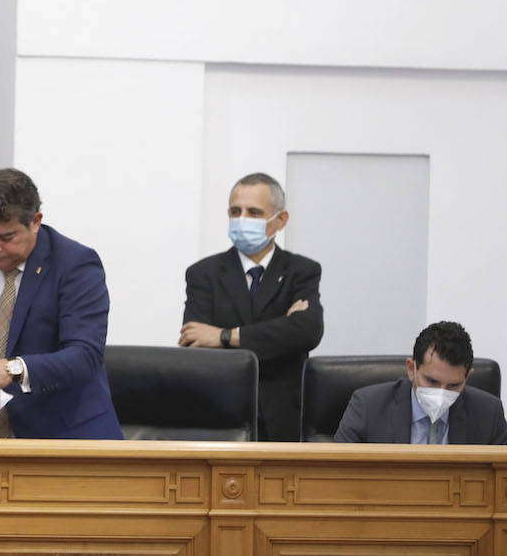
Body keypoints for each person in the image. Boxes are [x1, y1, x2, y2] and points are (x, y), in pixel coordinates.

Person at [0, 168, 123, 439]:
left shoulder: (75, 264)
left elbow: (85, 355)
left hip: (63, 437)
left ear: (35, 221)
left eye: (6, 237)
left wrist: (12, 369)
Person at [179, 172, 323, 441]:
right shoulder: (203, 274)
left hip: (284, 418)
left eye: (254, 212)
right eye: (235, 211)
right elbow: (194, 342)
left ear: (280, 220)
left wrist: (223, 336)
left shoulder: (301, 271)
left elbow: (306, 331)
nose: (241, 219)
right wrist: (280, 330)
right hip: (219, 413)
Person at [336, 321, 507, 444]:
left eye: (453, 385)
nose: (441, 393)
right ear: (412, 369)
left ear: (467, 377)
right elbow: (337, 475)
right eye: (432, 381)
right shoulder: (368, 406)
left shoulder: (489, 414)